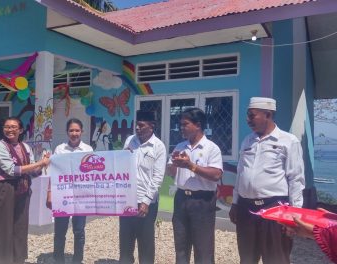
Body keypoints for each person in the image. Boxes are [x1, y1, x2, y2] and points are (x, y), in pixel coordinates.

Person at [229, 97, 305, 264]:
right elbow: (241, 174)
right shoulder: (247, 141)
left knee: (276, 258)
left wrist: (294, 214)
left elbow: (296, 179)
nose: (248, 120)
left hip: (275, 208)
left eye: (252, 115)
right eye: (248, 115)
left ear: (268, 114)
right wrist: (235, 203)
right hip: (246, 208)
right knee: (247, 258)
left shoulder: (288, 141)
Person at [166, 107, 223, 264]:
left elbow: (216, 175)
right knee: (181, 246)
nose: (181, 128)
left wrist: (190, 165)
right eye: (181, 124)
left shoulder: (211, 148)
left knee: (203, 249)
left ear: (198, 125)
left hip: (202, 201)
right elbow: (170, 172)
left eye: (185, 124)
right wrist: (174, 164)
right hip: (181, 199)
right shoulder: (179, 147)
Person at [0, 117, 50, 264]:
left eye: (13, 127)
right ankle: (1, 260)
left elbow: (31, 171)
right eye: (7, 126)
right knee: (3, 226)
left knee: (20, 225)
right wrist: (39, 163)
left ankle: (18, 259)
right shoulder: (0, 146)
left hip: (23, 189)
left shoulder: (26, 147)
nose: (10, 129)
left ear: (21, 130)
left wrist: (43, 165)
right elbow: (11, 170)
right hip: (5, 189)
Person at [119, 110, 167, 264]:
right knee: (125, 239)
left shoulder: (158, 146)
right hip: (127, 199)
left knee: (145, 242)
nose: (137, 128)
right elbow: (122, 168)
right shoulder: (130, 141)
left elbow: (157, 178)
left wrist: (146, 201)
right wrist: (123, 156)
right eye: (136, 125)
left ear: (151, 126)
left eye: (141, 125)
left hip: (146, 202)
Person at [46, 118, 93, 264]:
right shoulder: (60, 149)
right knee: (60, 231)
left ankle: (77, 260)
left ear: (82, 132)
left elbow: (92, 174)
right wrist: (49, 193)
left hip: (81, 196)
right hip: (62, 195)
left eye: (77, 130)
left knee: (79, 231)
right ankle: (58, 259)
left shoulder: (88, 150)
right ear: (67, 132)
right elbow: (53, 172)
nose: (74, 133)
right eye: (71, 130)